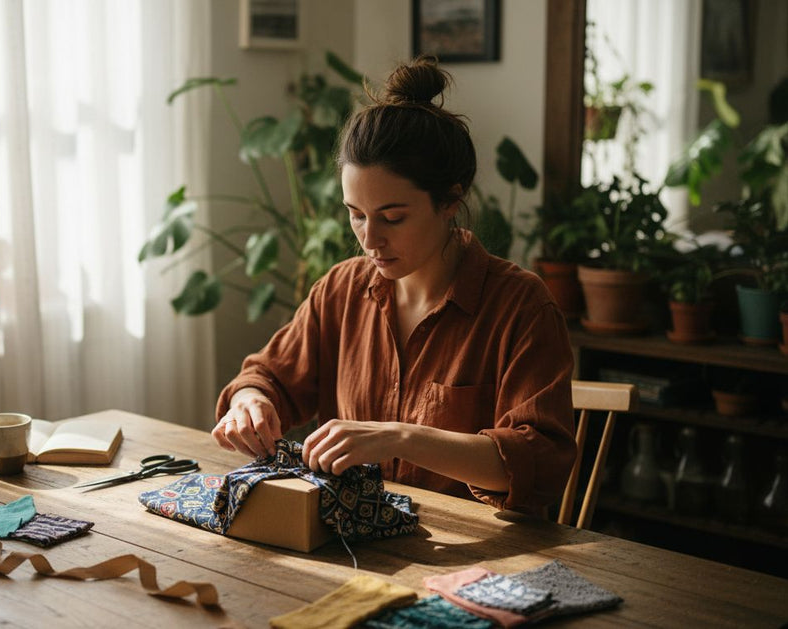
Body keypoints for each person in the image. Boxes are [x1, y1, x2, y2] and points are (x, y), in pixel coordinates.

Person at [211, 56, 576, 514]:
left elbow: (538, 463)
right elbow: (265, 377)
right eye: (355, 214)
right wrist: (251, 402)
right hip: (351, 546)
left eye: (393, 217)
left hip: (472, 558)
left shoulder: (521, 307)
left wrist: (402, 437)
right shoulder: (341, 290)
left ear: (449, 201)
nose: (369, 238)